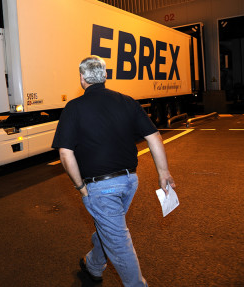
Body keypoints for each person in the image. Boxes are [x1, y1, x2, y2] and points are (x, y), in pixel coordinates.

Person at [52, 56, 175, 286]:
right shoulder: (127, 101)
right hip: (130, 181)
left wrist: (81, 188)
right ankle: (93, 265)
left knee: (117, 240)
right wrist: (163, 172)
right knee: (109, 226)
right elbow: (154, 137)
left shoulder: (74, 107)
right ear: (105, 76)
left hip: (101, 187)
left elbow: (65, 154)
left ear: (81, 78)